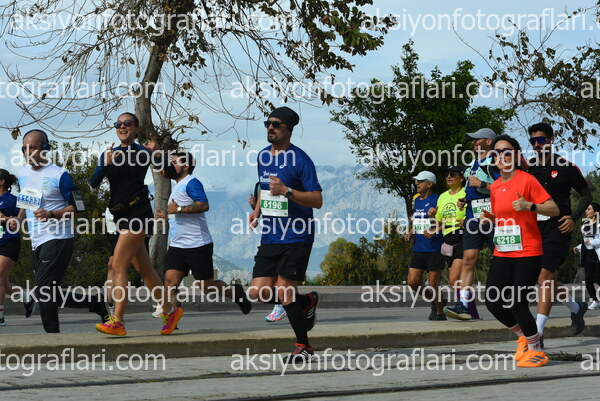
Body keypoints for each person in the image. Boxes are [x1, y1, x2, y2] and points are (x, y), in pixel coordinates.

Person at [91, 112, 176, 336]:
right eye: (118, 124)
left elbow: (170, 172)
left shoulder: (142, 152)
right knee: (144, 269)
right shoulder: (109, 154)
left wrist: (156, 153)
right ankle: (170, 311)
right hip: (121, 216)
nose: (122, 126)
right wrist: (105, 164)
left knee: (118, 265)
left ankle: (117, 321)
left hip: (138, 214)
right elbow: (93, 183)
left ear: (136, 129)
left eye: (127, 123)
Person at [15, 129, 108, 333]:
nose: (28, 152)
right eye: (24, 148)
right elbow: (25, 201)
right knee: (50, 292)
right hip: (37, 240)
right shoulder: (23, 174)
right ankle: (95, 303)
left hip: (58, 237)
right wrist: (18, 220)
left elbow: (79, 208)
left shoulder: (60, 175)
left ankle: (53, 338)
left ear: (45, 149)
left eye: (33, 148)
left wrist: (51, 214)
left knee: (43, 290)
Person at [248, 106, 322, 362]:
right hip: (270, 235)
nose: (270, 127)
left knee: (284, 290)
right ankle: (306, 302)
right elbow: (264, 188)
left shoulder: (301, 160)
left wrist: (287, 192)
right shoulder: (262, 156)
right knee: (259, 292)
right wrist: (256, 211)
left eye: (276, 124)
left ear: (288, 129)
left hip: (297, 234)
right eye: (267, 123)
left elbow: (317, 200)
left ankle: (304, 346)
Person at [484, 134, 559, 368]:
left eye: (506, 152)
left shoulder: (527, 180)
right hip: (503, 250)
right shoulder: (495, 186)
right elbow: (502, 216)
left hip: (528, 250)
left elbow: (554, 209)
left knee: (517, 302)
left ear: (516, 156)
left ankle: (537, 350)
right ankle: (525, 337)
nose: (501, 157)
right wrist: (490, 219)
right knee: (492, 301)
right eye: (496, 153)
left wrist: (530, 206)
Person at [155, 152, 251, 331]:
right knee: (170, 283)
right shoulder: (176, 186)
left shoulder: (192, 182)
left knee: (206, 287)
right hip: (177, 246)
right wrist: (168, 215)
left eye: (174, 162)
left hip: (197, 245)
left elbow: (204, 204)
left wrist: (179, 209)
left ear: (185, 166)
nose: (170, 166)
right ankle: (172, 319)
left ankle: (235, 293)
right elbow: (178, 213)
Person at [527, 122, 591, 340]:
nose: (536, 145)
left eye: (540, 140)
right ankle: (576, 307)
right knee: (546, 278)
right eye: (533, 141)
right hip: (534, 228)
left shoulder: (566, 167)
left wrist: (573, 217)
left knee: (544, 277)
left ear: (551, 140)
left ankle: (537, 334)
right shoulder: (528, 169)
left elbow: (586, 194)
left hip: (558, 227)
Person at [445, 128, 500, 321]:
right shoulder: (473, 164)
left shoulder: (495, 162)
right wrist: (465, 200)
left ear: (488, 141)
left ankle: (512, 298)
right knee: (468, 259)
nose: (473, 143)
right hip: (472, 218)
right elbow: (472, 188)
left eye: (477, 140)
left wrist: (482, 185)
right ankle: (464, 305)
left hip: (491, 217)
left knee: (502, 258)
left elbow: (504, 189)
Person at [405, 171, 446, 321]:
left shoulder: (438, 200)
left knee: (433, 284)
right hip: (419, 247)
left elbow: (445, 222)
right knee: (412, 282)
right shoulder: (417, 200)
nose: (416, 183)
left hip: (435, 248)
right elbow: (418, 220)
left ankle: (440, 312)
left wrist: (434, 228)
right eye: (416, 181)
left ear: (429, 184)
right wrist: (411, 233)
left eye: (420, 181)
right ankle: (437, 301)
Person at [249, 182, 287, 323]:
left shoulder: (283, 178)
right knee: (261, 287)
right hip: (270, 235)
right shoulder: (261, 183)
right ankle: (291, 303)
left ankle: (282, 305)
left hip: (288, 233)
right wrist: (255, 208)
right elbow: (267, 210)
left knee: (281, 276)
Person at [431, 166, 466, 289]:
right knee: (456, 283)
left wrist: (468, 221)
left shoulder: (466, 193)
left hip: (462, 236)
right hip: (447, 240)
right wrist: (432, 215)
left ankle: (464, 301)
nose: (449, 177)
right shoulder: (442, 197)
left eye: (453, 174)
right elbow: (438, 222)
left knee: (454, 280)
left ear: (461, 178)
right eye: (446, 175)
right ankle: (465, 301)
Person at [0, 169, 22, 326]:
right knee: (5, 285)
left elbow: (20, 219)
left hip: (9, 242)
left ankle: (0, 317)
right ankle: (28, 298)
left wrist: (9, 220)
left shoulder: (12, 199)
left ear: (2, 182)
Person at [574, 202, 600, 310]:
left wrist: (591, 242)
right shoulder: (585, 224)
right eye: (586, 209)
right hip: (589, 255)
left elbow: (594, 241)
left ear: (595, 212)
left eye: (589, 209)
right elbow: (585, 241)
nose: (586, 211)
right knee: (588, 279)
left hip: (597, 255)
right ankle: (595, 301)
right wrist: (579, 247)